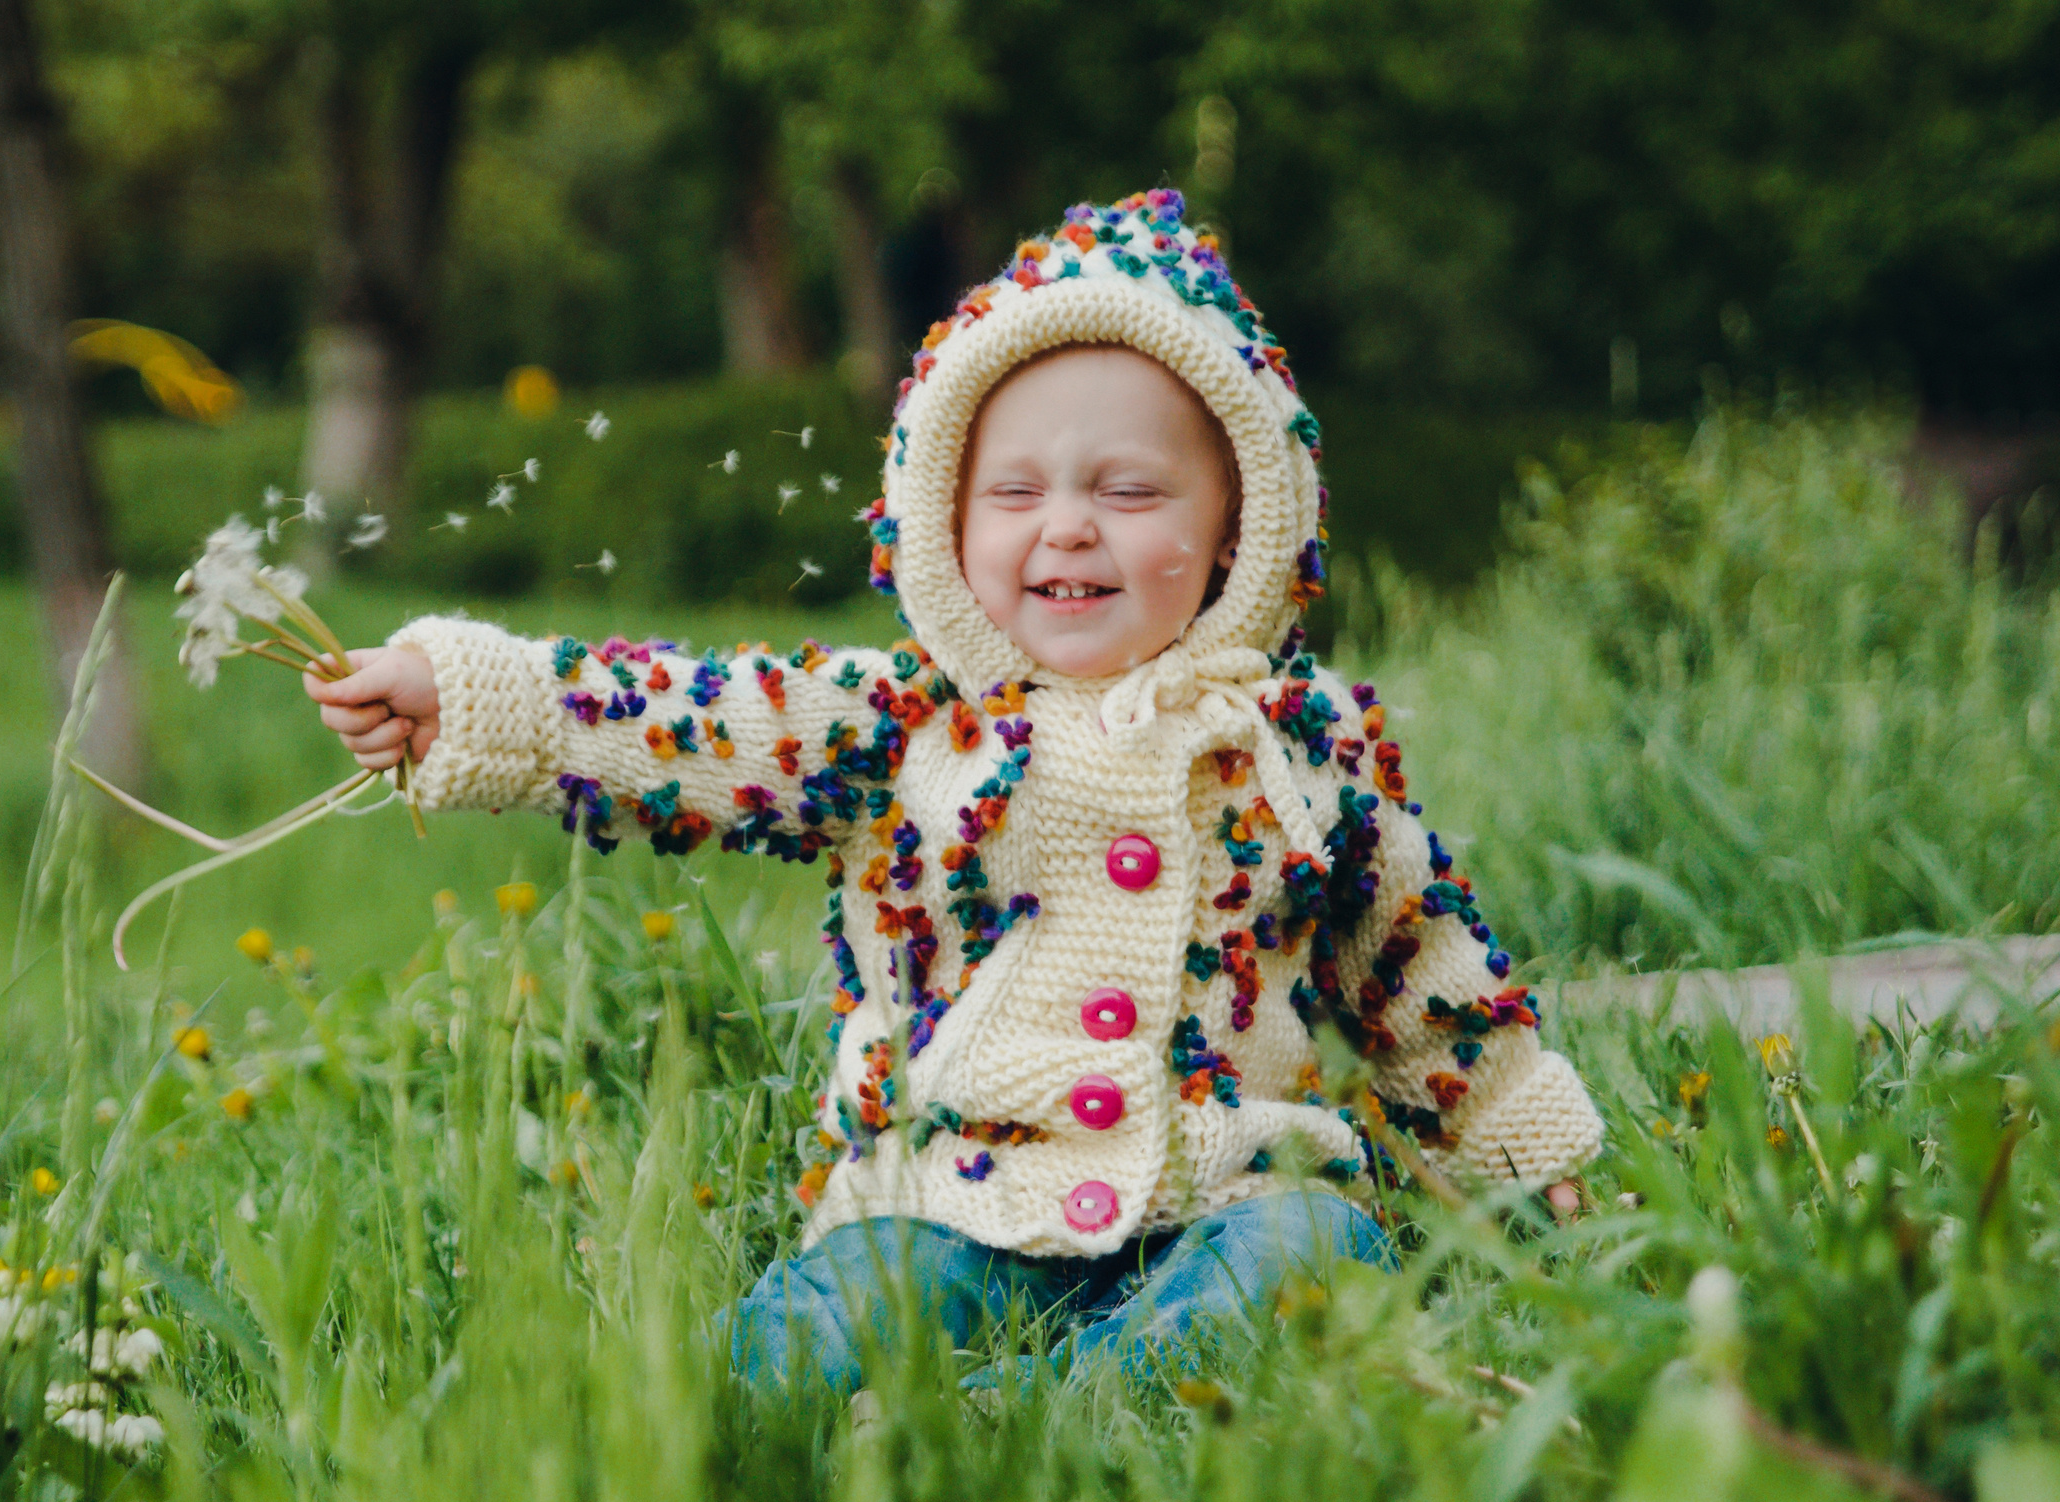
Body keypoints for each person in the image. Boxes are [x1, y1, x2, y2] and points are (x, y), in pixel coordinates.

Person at [306, 190, 1603, 1396]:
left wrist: (1519, 1154)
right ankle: (694, 1424)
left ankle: (1057, 1409)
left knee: (1322, 1253)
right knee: (824, 1320)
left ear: (1237, 526)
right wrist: (475, 694)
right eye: (1015, 492)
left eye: (1131, 490)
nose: (1068, 526)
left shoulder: (1302, 749)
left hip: (1224, 1202)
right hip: (947, 1198)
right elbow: (695, 723)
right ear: (944, 522)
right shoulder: (908, 724)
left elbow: (1418, 971)